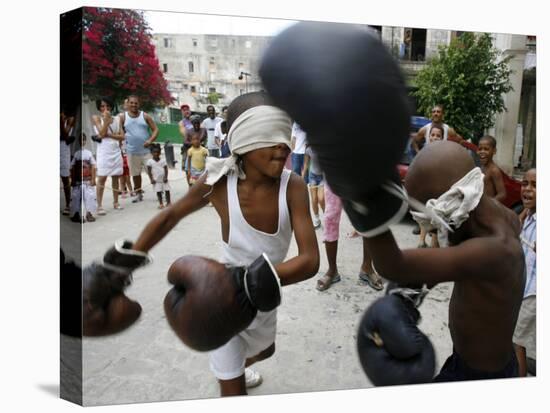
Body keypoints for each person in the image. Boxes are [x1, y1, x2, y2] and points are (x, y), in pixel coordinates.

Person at [86, 92, 319, 396]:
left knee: (266, 350)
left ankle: (237, 364)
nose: (281, 146)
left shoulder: (293, 187)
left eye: (284, 135)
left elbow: (310, 259)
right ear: (242, 141)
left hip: (264, 294)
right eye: (268, 136)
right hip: (215, 297)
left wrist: (248, 285)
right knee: (232, 389)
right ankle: (230, 368)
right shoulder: (219, 181)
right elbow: (171, 215)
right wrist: (123, 263)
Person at [356, 141, 524, 382]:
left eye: (434, 223)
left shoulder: (493, 251)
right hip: (482, 361)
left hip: (477, 378)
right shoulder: (500, 217)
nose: (436, 231)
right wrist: (413, 290)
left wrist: (362, 205)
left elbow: (392, 265)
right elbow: (457, 261)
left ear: (453, 207)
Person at [315, 182, 383, 292]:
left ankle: (367, 268)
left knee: (369, 217)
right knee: (330, 218)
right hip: (335, 172)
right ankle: (332, 271)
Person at [513, 168, 536, 377]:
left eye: (535, 185)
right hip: (526, 286)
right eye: (525, 184)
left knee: (517, 340)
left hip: (534, 293)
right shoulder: (529, 214)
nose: (528, 189)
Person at [120, 95, 159, 203]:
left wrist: (150, 140)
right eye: (131, 103)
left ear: (139, 104)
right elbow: (119, 131)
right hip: (131, 152)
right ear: (127, 104)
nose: (133, 105)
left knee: (153, 172)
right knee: (135, 174)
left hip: (147, 151)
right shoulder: (123, 117)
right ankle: (138, 194)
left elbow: (156, 130)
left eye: (135, 103)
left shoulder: (145, 116)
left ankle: (159, 192)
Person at [91, 97, 125, 215]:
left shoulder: (118, 119)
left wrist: (109, 135)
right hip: (104, 152)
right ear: (99, 108)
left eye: (107, 106)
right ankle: (99, 205)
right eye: (102, 106)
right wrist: (106, 121)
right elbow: (101, 134)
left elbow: (122, 136)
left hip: (115, 151)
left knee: (116, 177)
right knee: (102, 178)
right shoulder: (96, 118)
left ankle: (116, 202)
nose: (105, 108)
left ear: (111, 106)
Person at [416, 125, 444, 248]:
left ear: (442, 138)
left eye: (438, 135)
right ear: (429, 137)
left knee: (436, 216)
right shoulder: (424, 151)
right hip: (426, 188)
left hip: (439, 189)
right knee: (424, 214)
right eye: (432, 135)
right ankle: (421, 241)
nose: (435, 137)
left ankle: (433, 243)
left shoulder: (444, 153)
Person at [70, 133, 97, 223]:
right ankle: (76, 214)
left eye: (83, 140)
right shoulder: (76, 154)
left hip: (87, 180)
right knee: (75, 197)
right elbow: (72, 167)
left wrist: (93, 179)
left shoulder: (89, 153)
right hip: (78, 181)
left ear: (85, 141)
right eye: (80, 140)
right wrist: (73, 180)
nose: (82, 141)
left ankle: (89, 214)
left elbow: (93, 166)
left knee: (90, 197)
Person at [477, 135, 506, 203]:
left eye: (486, 149)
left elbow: (502, 194)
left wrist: (489, 204)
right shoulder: (482, 168)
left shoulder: (494, 170)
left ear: (494, 151)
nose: (482, 152)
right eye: (480, 149)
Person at [302, 143, 324, 229]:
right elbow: (306, 165)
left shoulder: (323, 148)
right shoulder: (308, 150)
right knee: (314, 199)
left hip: (323, 177)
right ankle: (317, 220)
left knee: (321, 199)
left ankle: (327, 217)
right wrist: (302, 177)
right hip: (313, 176)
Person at [60, 109, 76, 215]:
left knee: (65, 178)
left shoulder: (70, 119)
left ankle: (68, 204)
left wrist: (61, 121)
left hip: (63, 150)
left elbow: (65, 135)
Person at [146, 144, 171, 209]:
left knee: (167, 190)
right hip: (156, 180)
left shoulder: (163, 160)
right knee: (158, 192)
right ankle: (161, 203)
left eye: (157, 152)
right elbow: (149, 172)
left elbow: (166, 169)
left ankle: (168, 202)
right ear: (151, 153)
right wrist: (151, 179)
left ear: (160, 153)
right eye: (154, 152)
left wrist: (166, 177)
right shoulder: (150, 161)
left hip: (163, 179)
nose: (156, 153)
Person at [178, 104, 194, 172]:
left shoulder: (195, 120)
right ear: (182, 112)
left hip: (197, 145)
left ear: (190, 111)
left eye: (187, 109)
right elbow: (184, 133)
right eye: (184, 110)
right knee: (186, 166)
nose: (186, 111)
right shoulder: (181, 122)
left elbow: (201, 130)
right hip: (187, 146)